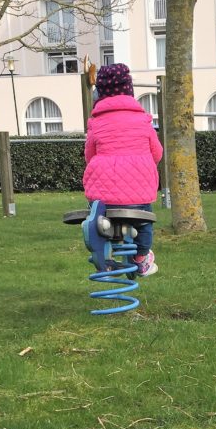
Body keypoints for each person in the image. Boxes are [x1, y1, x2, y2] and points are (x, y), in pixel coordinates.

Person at [83, 63, 163, 276]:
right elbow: (157, 153)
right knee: (145, 222)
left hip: (102, 197)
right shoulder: (143, 120)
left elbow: (89, 155)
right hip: (138, 194)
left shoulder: (96, 122)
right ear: (129, 90)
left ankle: (100, 240)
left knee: (100, 214)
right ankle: (141, 258)